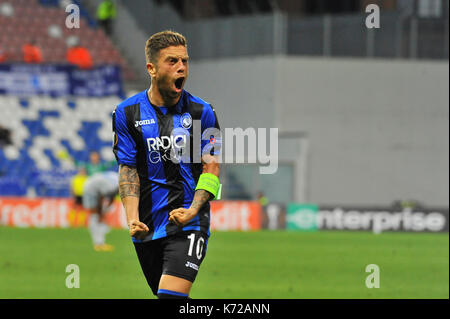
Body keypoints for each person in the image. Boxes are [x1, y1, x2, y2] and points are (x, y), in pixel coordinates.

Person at [113, 30, 221, 299]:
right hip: (147, 226)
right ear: (151, 68)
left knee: (170, 297)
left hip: (189, 222)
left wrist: (193, 210)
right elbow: (128, 169)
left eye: (185, 61)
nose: (181, 67)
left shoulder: (202, 112)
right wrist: (132, 218)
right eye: (172, 61)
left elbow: (212, 167)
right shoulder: (127, 113)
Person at [82, 171, 119, 251]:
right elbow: (101, 197)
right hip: (91, 190)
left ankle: (100, 242)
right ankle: (98, 243)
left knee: (99, 216)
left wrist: (104, 212)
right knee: (95, 215)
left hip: (95, 186)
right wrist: (101, 213)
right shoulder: (111, 187)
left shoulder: (117, 182)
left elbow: (112, 198)